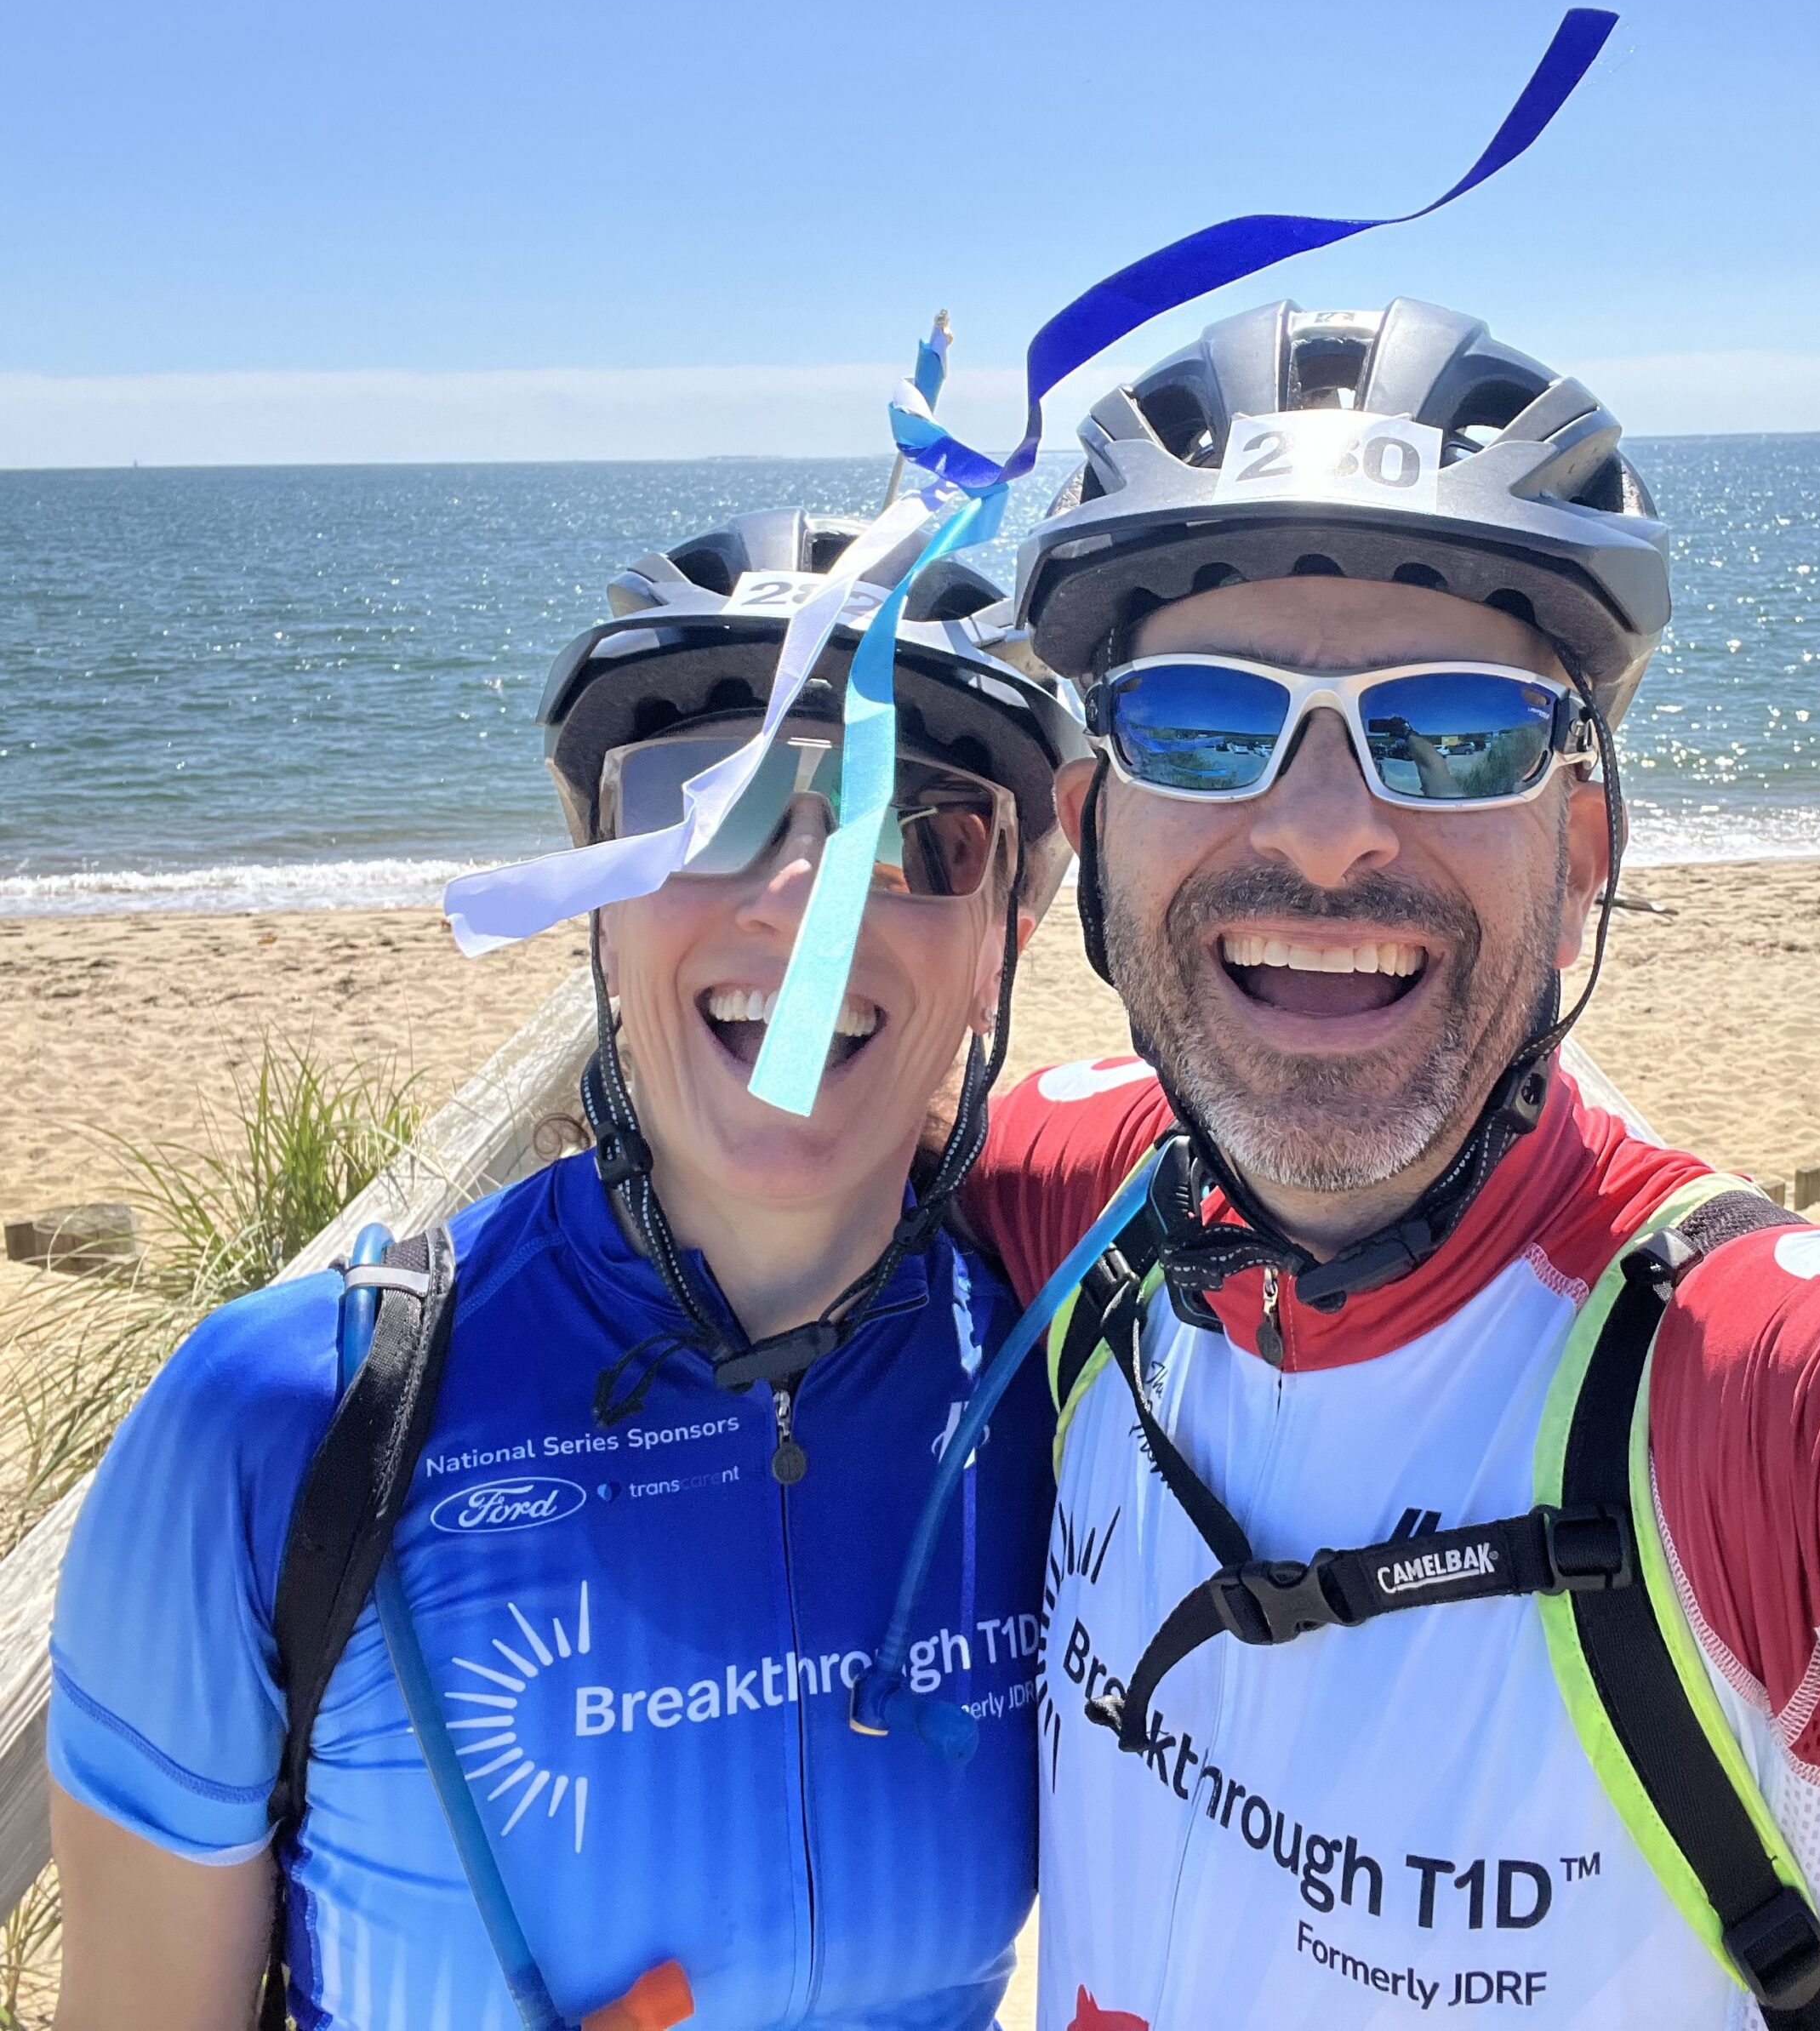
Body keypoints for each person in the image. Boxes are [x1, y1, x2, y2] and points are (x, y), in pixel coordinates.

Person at [954, 300, 1820, 2030]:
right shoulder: (1074, 1196)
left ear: (1583, 846)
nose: (1326, 830)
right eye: (1202, 722)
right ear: (1093, 827)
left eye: (1456, 729)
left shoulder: (1743, 1398)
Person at [48, 507, 1087, 2031]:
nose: (801, 900)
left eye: (913, 829)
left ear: (1004, 936)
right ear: (599, 901)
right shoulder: (281, 1420)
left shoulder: (1070, 1387)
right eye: (703, 808)